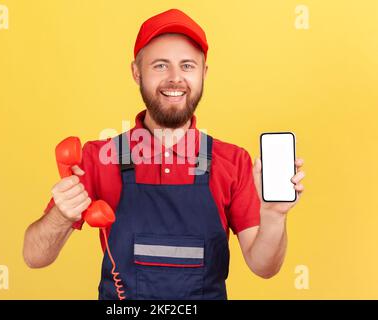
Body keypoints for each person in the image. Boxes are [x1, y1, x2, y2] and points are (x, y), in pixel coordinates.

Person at [23, 8, 306, 300]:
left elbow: (264, 267)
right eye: (160, 66)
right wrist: (60, 214)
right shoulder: (98, 158)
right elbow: (34, 257)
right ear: (136, 72)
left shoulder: (233, 161)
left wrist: (273, 216)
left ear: (203, 73)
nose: (175, 78)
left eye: (187, 66)